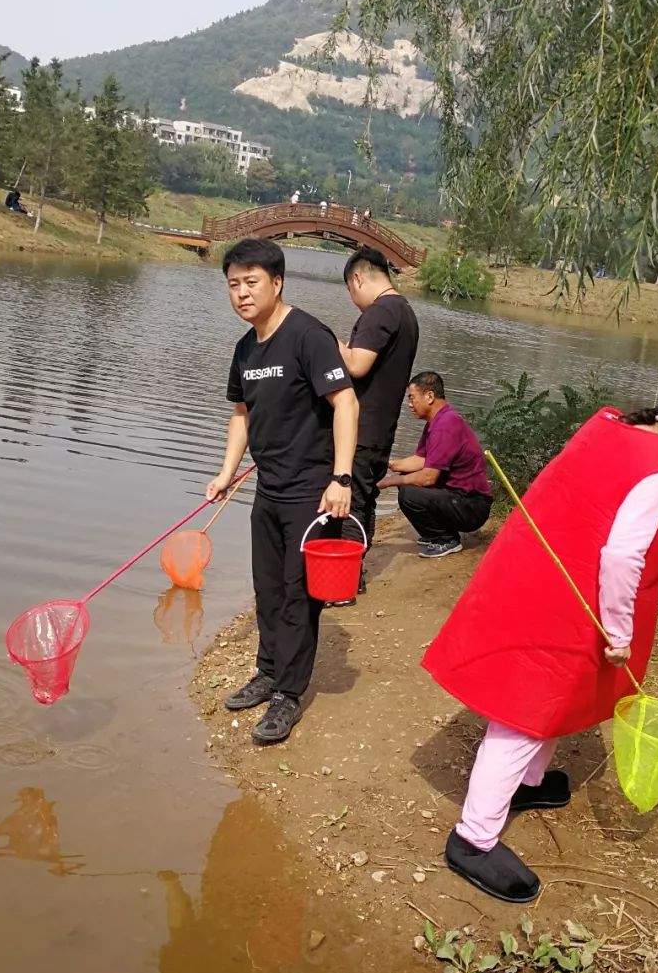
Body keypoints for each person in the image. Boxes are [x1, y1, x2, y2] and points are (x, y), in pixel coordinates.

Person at [422, 389, 658, 903]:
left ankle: (527, 783)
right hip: (567, 600)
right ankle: (473, 838)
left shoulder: (611, 423)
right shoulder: (656, 475)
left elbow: (610, 479)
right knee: (526, 710)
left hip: (538, 571)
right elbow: (621, 560)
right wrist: (619, 632)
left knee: (553, 701)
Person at [206, 238, 359, 745]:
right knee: (267, 587)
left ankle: (288, 695)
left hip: (312, 493)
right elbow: (241, 414)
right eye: (234, 284)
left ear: (277, 282)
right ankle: (268, 671)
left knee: (298, 595)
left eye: (252, 282)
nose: (242, 293)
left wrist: (341, 478)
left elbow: (346, 403)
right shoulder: (245, 348)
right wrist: (226, 472)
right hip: (269, 489)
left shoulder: (308, 336)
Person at [333, 246, 419, 597]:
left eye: (351, 293)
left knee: (349, 501)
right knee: (364, 499)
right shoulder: (406, 312)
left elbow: (356, 364)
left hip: (361, 427)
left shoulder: (382, 310)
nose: (354, 301)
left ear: (357, 278)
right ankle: (355, 577)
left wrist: (322, 338)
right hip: (381, 428)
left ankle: (342, 583)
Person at [379, 371, 491, 557]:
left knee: (409, 492)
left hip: (472, 505)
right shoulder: (436, 422)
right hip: (459, 498)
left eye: (412, 398)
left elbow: (428, 477)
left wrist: (388, 482)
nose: (409, 404)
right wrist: (387, 464)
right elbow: (421, 460)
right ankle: (442, 534)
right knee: (406, 484)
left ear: (429, 396)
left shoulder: (446, 424)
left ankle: (444, 540)